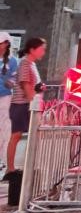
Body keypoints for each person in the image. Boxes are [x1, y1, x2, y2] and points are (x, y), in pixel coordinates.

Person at [5, 36, 46, 179]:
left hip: (28, 105)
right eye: (41, 49)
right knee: (16, 136)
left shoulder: (31, 64)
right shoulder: (25, 63)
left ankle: (24, 166)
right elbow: (26, 86)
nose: (43, 52)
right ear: (32, 50)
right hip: (21, 105)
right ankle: (10, 169)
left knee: (27, 136)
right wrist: (33, 101)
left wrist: (39, 88)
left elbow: (32, 86)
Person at [0, 32, 15, 176]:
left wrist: (9, 82)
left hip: (4, 98)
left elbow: (13, 80)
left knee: (4, 130)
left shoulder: (12, 61)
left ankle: (2, 161)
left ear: (6, 44)